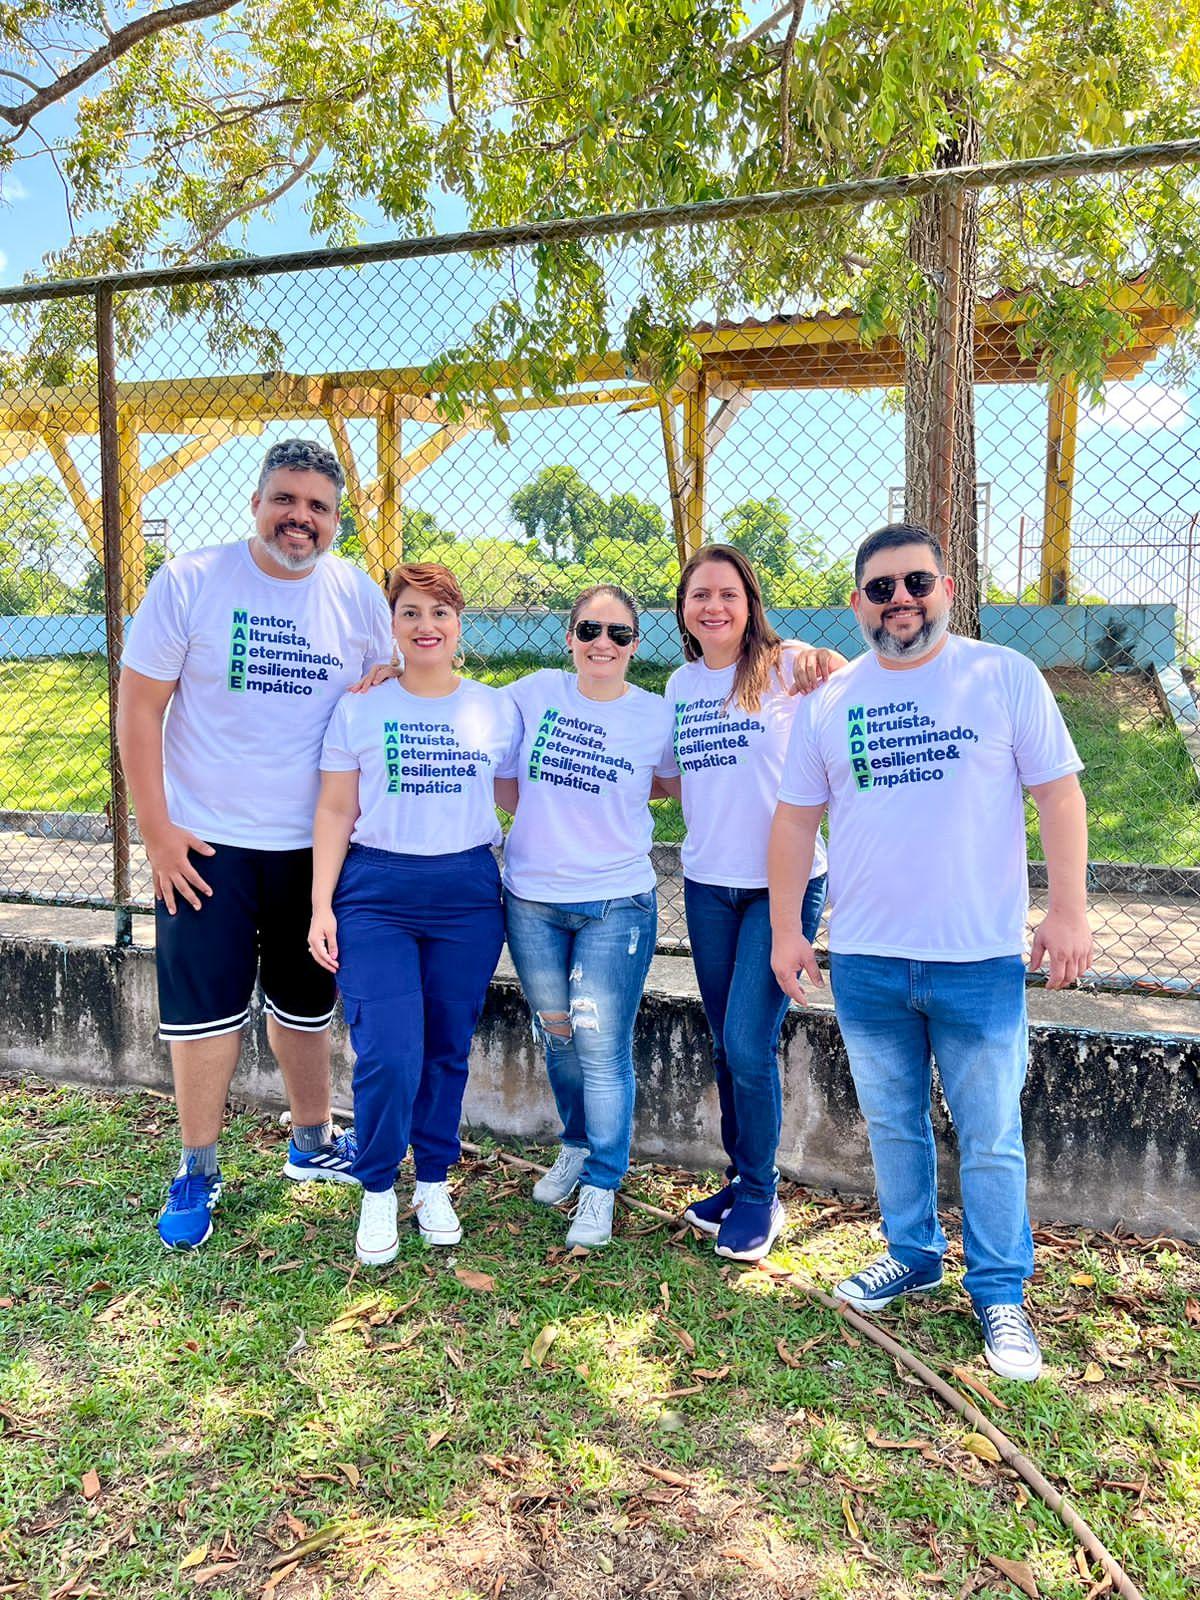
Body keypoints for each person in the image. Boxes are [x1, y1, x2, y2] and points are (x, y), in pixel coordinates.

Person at [768, 522, 1092, 1382]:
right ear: (856, 603)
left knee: (989, 1135)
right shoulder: (832, 702)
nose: (899, 600)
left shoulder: (1001, 676)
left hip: (978, 959)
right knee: (891, 1123)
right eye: (880, 588)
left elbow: (1059, 796)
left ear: (947, 587)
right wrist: (787, 930)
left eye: (916, 582)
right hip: (868, 958)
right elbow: (796, 819)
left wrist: (1068, 911)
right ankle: (911, 1253)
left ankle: (1000, 1292)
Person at [117, 438, 393, 1251]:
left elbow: (385, 698)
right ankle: (196, 1168)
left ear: (337, 520)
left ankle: (311, 1143)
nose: (299, 518)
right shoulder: (192, 582)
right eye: (286, 499)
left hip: (316, 850)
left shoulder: (358, 597)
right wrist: (158, 832)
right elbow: (138, 710)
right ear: (257, 503)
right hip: (205, 845)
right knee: (206, 1018)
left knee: (306, 1005)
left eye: (317, 507)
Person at [308, 563, 519, 1266]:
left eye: (440, 613)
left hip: (465, 892)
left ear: (461, 625)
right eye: (411, 613)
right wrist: (320, 905)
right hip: (375, 893)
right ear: (392, 625)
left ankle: (432, 1182)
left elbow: (524, 795)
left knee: (445, 1049)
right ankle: (375, 1188)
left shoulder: (497, 707)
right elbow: (336, 808)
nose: (426, 626)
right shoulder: (360, 706)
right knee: (389, 1051)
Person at [659, 544, 841, 1261]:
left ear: (750, 602)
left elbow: (844, 684)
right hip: (707, 884)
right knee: (722, 1042)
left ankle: (763, 1197)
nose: (714, 606)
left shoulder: (785, 663)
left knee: (746, 1041)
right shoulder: (678, 686)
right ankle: (740, 1179)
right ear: (682, 610)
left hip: (782, 887)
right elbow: (677, 779)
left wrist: (825, 657)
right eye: (700, 594)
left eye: (728, 594)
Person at [503, 584, 675, 1249]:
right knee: (558, 1037)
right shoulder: (534, 692)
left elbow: (675, 781)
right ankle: (575, 1146)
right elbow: (460, 710)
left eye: (619, 634)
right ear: (570, 637)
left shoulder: (656, 715)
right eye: (590, 630)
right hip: (533, 902)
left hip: (614, 905)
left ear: (635, 644)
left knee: (601, 1046)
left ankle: (603, 1180)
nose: (603, 643)